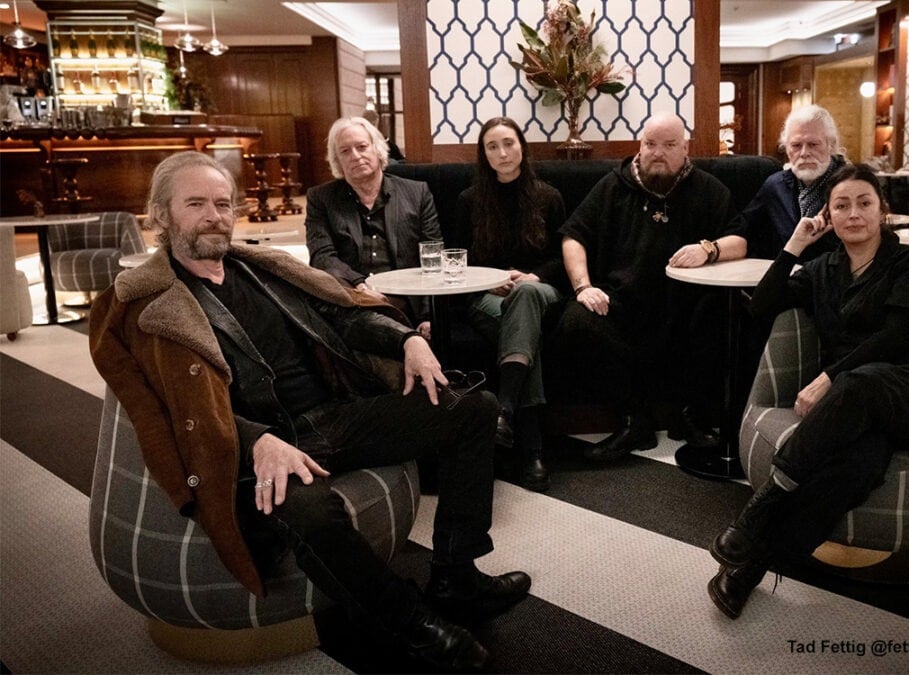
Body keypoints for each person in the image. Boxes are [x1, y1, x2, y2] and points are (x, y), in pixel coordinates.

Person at [88, 151, 531, 671]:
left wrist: (406, 338)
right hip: (253, 447)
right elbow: (165, 407)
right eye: (196, 204)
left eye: (223, 204)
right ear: (162, 215)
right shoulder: (146, 306)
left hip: (330, 417)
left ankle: (456, 577)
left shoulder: (263, 270)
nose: (214, 215)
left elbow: (342, 314)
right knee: (312, 511)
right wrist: (255, 440)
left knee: (472, 408)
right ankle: (410, 625)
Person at [706, 163, 909, 620]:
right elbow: (761, 306)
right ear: (828, 216)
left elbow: (903, 333)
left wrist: (831, 377)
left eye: (864, 203)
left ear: (882, 210)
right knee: (856, 467)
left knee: (860, 383)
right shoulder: (823, 269)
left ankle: (757, 511)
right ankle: (752, 566)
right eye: (841, 205)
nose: (853, 213)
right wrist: (795, 245)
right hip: (853, 408)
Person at [554, 111, 733, 460]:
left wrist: (708, 249)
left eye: (669, 145)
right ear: (640, 145)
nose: (658, 153)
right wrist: (583, 287)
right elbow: (573, 236)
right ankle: (634, 419)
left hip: (685, 304)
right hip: (622, 304)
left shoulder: (709, 189)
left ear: (685, 148)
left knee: (720, 310)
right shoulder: (613, 185)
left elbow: (739, 239)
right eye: (650, 144)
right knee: (575, 321)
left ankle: (689, 416)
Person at [455, 117, 567, 491]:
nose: (502, 153)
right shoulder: (469, 201)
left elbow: (562, 257)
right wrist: (492, 280)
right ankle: (533, 452)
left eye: (509, 143)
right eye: (492, 146)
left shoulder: (548, 196)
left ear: (522, 146)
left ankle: (503, 410)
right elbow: (459, 261)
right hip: (486, 296)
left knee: (526, 297)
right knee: (522, 331)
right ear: (484, 155)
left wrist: (533, 277)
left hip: (540, 291)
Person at [305, 116, 438, 338]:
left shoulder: (417, 193)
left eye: (362, 147)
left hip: (403, 300)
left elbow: (433, 255)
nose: (355, 156)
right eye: (345, 151)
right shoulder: (321, 199)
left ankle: (404, 340)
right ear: (337, 160)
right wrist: (360, 287)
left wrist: (428, 315)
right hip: (351, 297)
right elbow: (322, 256)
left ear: (377, 149)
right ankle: (407, 342)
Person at [720, 104, 846, 263]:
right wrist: (709, 250)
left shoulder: (852, 185)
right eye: (796, 145)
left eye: (813, 144)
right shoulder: (776, 186)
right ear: (786, 148)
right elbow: (742, 230)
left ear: (831, 145)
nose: (804, 153)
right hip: (785, 274)